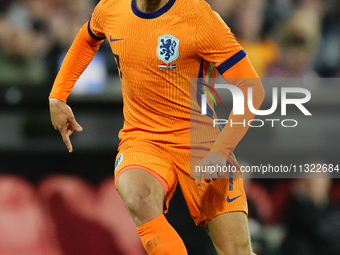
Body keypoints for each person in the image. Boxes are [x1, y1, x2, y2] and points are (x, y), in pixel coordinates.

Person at [48, 0, 264, 254]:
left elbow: (252, 90)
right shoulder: (111, 8)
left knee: (236, 250)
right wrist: (58, 95)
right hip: (142, 138)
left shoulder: (199, 17)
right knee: (136, 193)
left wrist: (220, 151)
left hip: (201, 141)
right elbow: (87, 38)